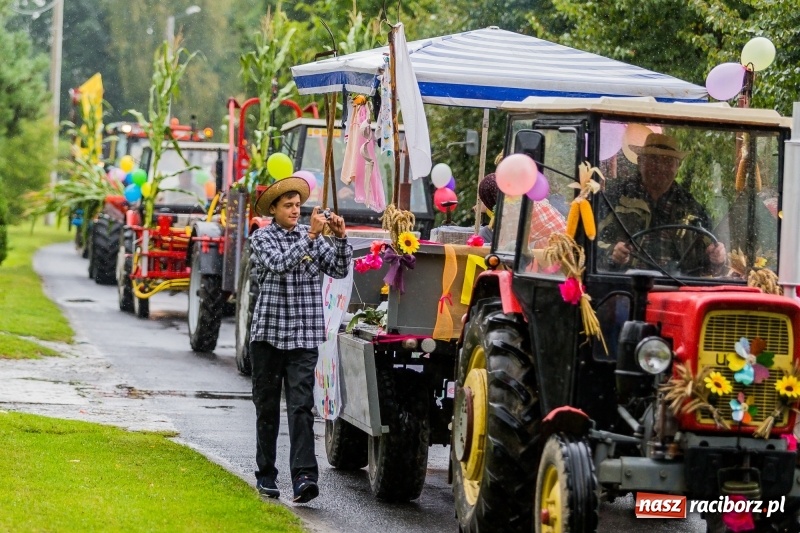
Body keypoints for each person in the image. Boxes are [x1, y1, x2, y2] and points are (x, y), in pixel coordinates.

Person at [248, 176, 352, 504]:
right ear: (274, 209)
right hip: (268, 337)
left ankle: (304, 478)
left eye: (298, 206)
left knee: (301, 408)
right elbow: (279, 264)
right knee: (267, 409)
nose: (295, 211)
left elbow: (338, 270)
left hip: (304, 337)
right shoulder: (262, 237)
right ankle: (266, 475)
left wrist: (340, 238)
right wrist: (311, 236)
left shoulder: (312, 237)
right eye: (288, 206)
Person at [598, 133, 727, 275]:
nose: (660, 167)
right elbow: (588, 247)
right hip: (626, 284)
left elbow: (708, 264)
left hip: (677, 286)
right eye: (653, 159)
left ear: (677, 166)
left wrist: (717, 259)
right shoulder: (615, 198)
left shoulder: (692, 209)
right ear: (640, 162)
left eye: (668, 161)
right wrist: (611, 253)